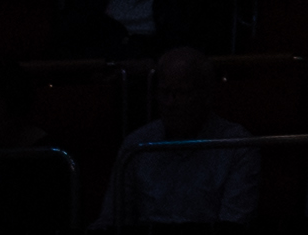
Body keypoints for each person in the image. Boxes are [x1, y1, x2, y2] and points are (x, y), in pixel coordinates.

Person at [100, 43, 261, 225]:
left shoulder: (236, 146)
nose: (170, 103)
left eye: (181, 93)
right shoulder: (137, 145)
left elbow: (234, 226)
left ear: (207, 95)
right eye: (164, 92)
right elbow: (112, 221)